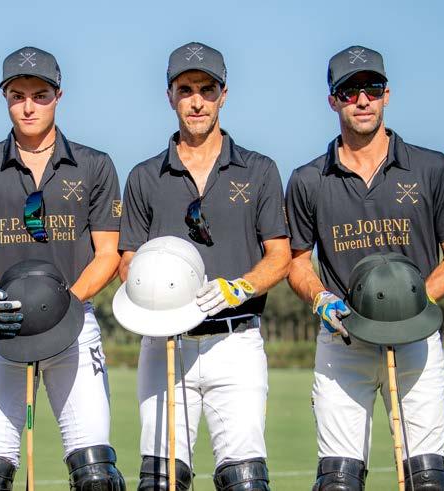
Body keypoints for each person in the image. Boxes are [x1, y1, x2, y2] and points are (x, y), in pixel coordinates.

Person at [286, 45, 444, 490]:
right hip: (343, 337)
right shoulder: (309, 179)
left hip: (415, 338)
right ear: (333, 100)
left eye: (372, 88)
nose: (362, 100)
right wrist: (320, 298)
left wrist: (410, 304)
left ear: (387, 94)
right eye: (349, 91)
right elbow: (295, 261)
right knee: (337, 481)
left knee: (427, 478)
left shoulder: (431, 167)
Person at [118, 42, 291, 491]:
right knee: (161, 481)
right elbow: (127, 260)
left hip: (236, 340)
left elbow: (280, 255)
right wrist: (153, 291)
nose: (197, 101)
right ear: (170, 96)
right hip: (165, 343)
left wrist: (240, 287)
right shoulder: (144, 176)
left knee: (244, 480)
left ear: (223, 94)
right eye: (185, 90)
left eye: (207, 89)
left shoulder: (259, 170)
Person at [0, 46, 125, 490]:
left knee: (96, 476)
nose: (28, 107)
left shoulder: (94, 164)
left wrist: (62, 305)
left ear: (58, 96)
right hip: (2, 326)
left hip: (74, 324)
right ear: (5, 98)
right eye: (17, 96)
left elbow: (108, 253)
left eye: (40, 95)